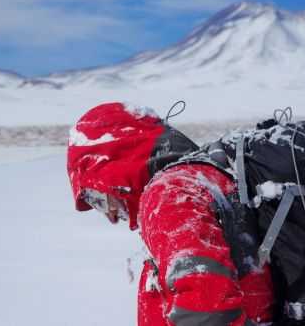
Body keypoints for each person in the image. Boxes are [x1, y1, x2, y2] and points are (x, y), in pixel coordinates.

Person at [67, 102, 274, 326]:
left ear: (114, 167)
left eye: (98, 199)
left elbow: (207, 311)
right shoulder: (203, 177)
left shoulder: (169, 194)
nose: (111, 216)